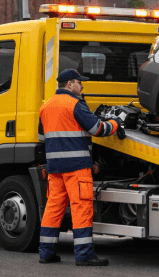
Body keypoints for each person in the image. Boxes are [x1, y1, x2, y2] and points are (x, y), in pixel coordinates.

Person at [37, 69, 124, 266]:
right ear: (69, 85)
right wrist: (116, 123)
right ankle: (84, 255)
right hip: (76, 168)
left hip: (55, 168)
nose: (82, 86)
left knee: (52, 209)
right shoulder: (75, 104)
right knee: (81, 208)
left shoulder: (46, 107)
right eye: (79, 83)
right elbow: (98, 129)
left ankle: (46, 253)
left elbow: (42, 137)